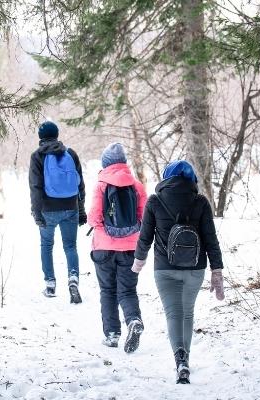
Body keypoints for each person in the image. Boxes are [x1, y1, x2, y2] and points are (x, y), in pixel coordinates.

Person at [132, 160, 225, 383]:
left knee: (173, 314)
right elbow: (211, 240)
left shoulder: (154, 201)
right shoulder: (201, 202)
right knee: (187, 313)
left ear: (167, 177)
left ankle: (180, 360)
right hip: (195, 268)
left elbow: (145, 237)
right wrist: (217, 270)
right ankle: (187, 358)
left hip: (164, 268)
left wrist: (138, 262)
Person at [88, 143, 147, 352]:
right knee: (128, 290)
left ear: (105, 163)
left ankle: (112, 335)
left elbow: (94, 218)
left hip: (103, 247)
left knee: (108, 290)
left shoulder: (101, 185)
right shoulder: (137, 185)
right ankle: (133, 321)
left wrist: (103, 228)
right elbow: (144, 217)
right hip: (131, 248)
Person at [29, 121, 86, 303]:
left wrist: (36, 212)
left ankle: (50, 285)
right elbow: (80, 184)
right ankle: (73, 279)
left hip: (48, 209)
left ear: (41, 137)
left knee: (47, 245)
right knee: (70, 246)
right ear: (57, 134)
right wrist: (82, 209)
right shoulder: (70, 153)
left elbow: (35, 187)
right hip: (71, 207)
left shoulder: (37, 156)